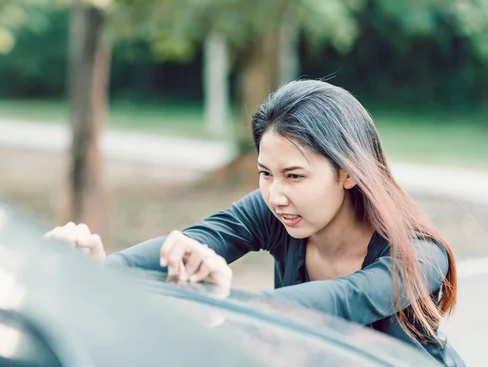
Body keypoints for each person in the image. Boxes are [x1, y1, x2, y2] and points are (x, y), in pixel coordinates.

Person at [45, 80, 464, 366]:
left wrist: (223, 305)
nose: (276, 195)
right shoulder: (277, 212)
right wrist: (100, 269)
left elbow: (342, 302)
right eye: (266, 173)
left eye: (295, 176)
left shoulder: (421, 253)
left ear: (349, 172)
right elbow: (195, 241)